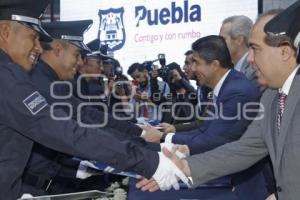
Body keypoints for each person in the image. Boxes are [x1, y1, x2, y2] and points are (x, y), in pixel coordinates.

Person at [0, 0, 186, 198]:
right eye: (33, 38)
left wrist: (143, 143)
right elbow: (65, 130)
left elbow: (86, 118)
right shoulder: (8, 76)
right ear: (4, 32)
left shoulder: (21, 76)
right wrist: (149, 159)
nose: (39, 47)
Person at [137, 3, 300, 200]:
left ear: (284, 52)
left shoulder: (250, 91)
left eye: (255, 49)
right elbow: (248, 147)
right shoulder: (272, 96)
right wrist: (186, 166)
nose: (249, 60)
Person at [219, 15, 257, 84]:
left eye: (223, 39)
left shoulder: (254, 69)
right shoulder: (231, 68)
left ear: (239, 40)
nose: (219, 44)